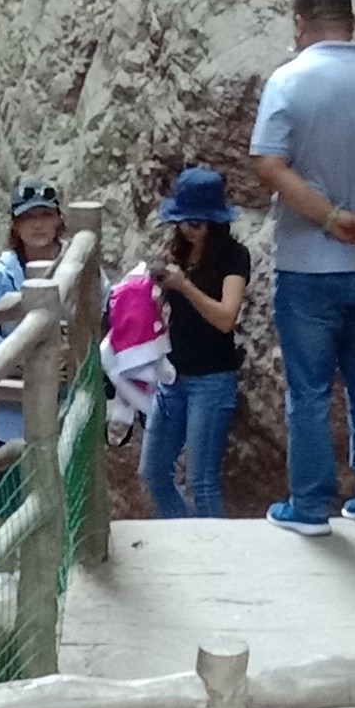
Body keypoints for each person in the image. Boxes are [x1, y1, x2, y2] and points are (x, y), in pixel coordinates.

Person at [246, 0, 355, 536]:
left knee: (311, 390)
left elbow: (269, 164)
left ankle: (311, 505)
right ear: (352, 20)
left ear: (300, 22)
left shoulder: (289, 82)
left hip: (308, 265)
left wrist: (329, 219)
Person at [139, 165, 252, 519]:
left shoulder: (234, 257)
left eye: (197, 223)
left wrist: (184, 286)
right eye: (184, 222)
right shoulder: (178, 251)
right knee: (154, 473)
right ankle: (187, 534)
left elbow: (225, 317)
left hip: (212, 379)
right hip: (173, 376)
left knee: (201, 481)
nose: (189, 230)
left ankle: (210, 555)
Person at [0, 177, 68, 516]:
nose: (38, 224)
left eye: (44, 215)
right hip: (11, 419)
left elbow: (100, 319)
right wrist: (25, 356)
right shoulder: (0, 277)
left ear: (58, 218)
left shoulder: (78, 268)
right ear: (15, 224)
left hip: (64, 409)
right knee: (4, 512)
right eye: (28, 217)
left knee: (61, 506)